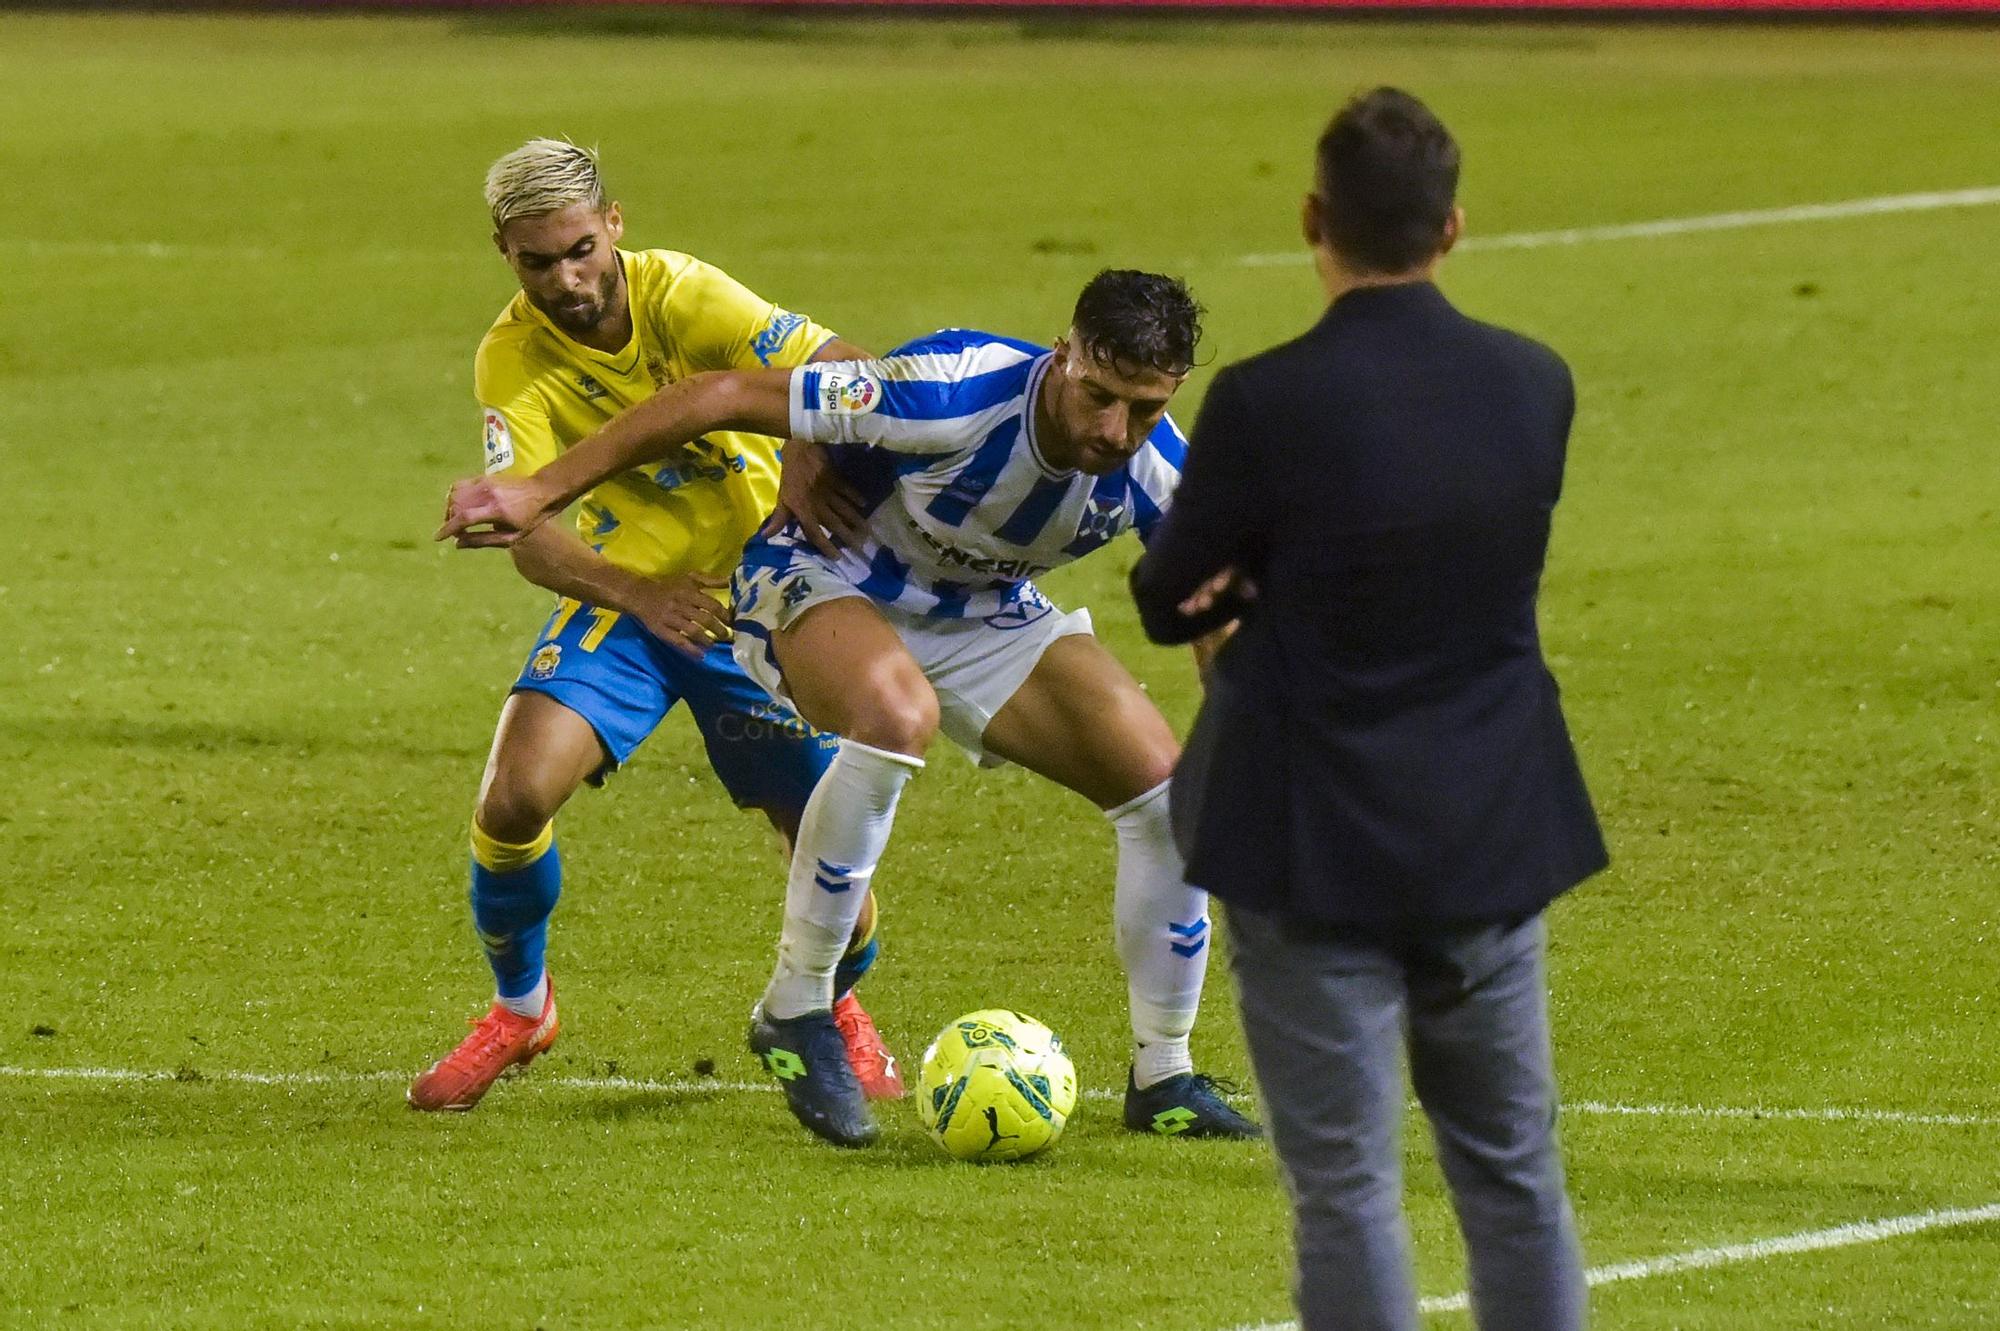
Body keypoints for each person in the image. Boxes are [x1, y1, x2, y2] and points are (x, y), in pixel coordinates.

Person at [436, 270, 1262, 1150]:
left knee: (1167, 796)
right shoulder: (949, 394)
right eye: (1098, 395)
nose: (1112, 430)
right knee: (895, 715)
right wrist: (539, 492)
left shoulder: (1161, 469)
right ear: (1065, 353)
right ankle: (796, 1009)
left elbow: (1218, 609)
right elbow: (715, 394)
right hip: (821, 576)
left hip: (981, 611)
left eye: (1141, 409)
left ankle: (1163, 1073)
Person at [1129, 90, 1606, 1331]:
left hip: (1309, 836)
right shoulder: (1532, 384)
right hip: (1491, 829)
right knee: (1514, 1178)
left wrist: (1250, 580)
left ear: (1311, 219)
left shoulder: (1266, 401)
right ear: (1449, 226)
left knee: (1343, 1189)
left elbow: (1166, 591)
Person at [408, 138, 903, 1113]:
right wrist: (633, 592)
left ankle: (832, 1006)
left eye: (580, 249)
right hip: (629, 602)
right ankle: (520, 1007)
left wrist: (806, 441)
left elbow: (850, 367)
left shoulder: (686, 296)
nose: (567, 279)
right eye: (537, 261)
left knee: (818, 834)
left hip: (757, 599)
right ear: (505, 253)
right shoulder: (511, 358)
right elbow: (527, 530)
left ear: (615, 225)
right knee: (513, 796)